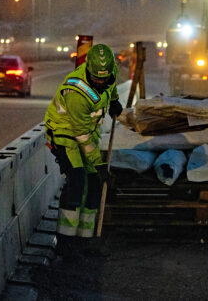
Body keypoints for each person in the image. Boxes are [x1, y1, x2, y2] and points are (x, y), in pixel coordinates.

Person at [44, 44, 123, 258]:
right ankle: (65, 242)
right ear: (88, 68)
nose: (100, 82)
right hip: (65, 134)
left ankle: (86, 239)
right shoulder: (76, 92)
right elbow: (81, 135)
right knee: (78, 180)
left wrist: (114, 101)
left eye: (104, 78)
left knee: (95, 184)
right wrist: (98, 164)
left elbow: (111, 86)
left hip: (87, 132)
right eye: (96, 78)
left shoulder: (109, 74)